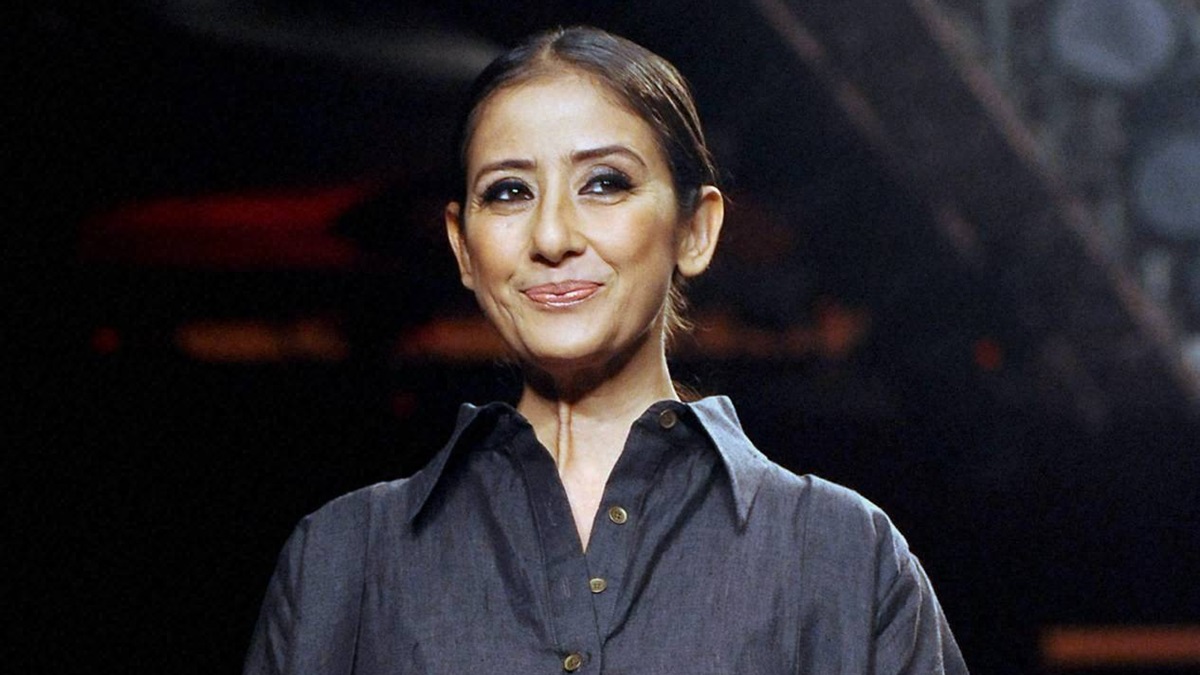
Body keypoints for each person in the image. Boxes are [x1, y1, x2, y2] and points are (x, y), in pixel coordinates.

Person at [244, 26, 968, 674]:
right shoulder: (344, 559)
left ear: (696, 229)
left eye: (604, 183)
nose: (552, 235)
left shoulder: (841, 556)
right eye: (509, 192)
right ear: (463, 248)